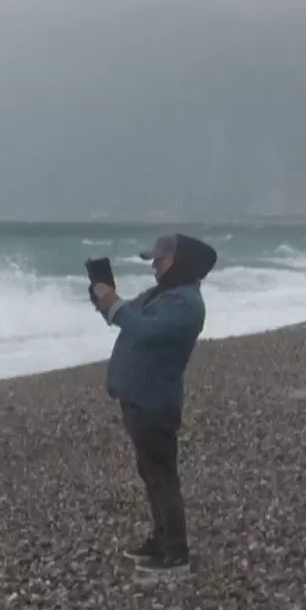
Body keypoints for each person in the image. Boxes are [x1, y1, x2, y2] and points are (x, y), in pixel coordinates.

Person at [91, 233, 217, 577]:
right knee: (150, 473)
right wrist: (104, 298)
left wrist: (114, 304)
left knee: (163, 477)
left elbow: (144, 330)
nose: (154, 264)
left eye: (161, 259)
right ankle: (161, 539)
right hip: (136, 396)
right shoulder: (162, 295)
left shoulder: (186, 304)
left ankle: (176, 556)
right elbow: (127, 315)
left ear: (183, 262)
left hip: (155, 399)